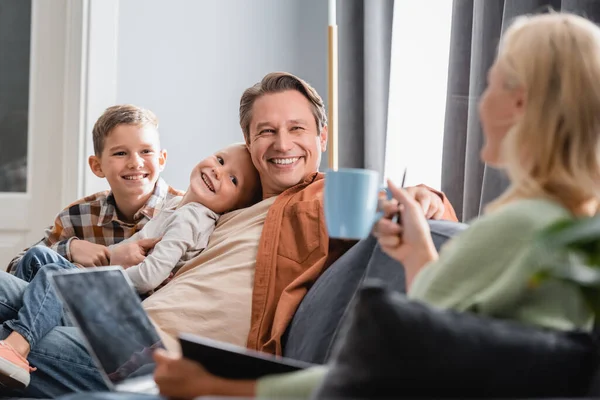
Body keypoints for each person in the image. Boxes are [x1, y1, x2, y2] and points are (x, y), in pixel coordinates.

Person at [79, 12, 600, 400]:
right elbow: (445, 334)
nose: (478, 102)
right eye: (265, 132)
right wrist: (418, 252)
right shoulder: (566, 231)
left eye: (489, 85)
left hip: (179, 359)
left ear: (521, 104)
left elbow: (383, 372)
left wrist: (212, 385)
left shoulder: (517, 231)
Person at [0, 71, 456, 398]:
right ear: (248, 141)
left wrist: (423, 195)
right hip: (114, 319)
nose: (281, 144)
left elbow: (411, 218)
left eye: (297, 129)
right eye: (266, 132)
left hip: (156, 354)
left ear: (322, 136)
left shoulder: (323, 198)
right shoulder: (225, 207)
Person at [0, 143, 260, 389]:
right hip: (112, 293)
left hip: (116, 303)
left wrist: (94, 279)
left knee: (53, 273)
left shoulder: (191, 218)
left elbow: (149, 276)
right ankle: (24, 323)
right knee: (38, 256)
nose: (218, 170)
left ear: (237, 206)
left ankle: (18, 344)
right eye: (220, 159)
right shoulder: (175, 208)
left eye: (233, 179)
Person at [6, 104, 183, 277]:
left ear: (161, 160)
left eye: (146, 151)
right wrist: (71, 249)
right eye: (120, 153)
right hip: (69, 304)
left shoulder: (186, 211)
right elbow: (17, 269)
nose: (135, 163)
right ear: (97, 166)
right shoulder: (76, 217)